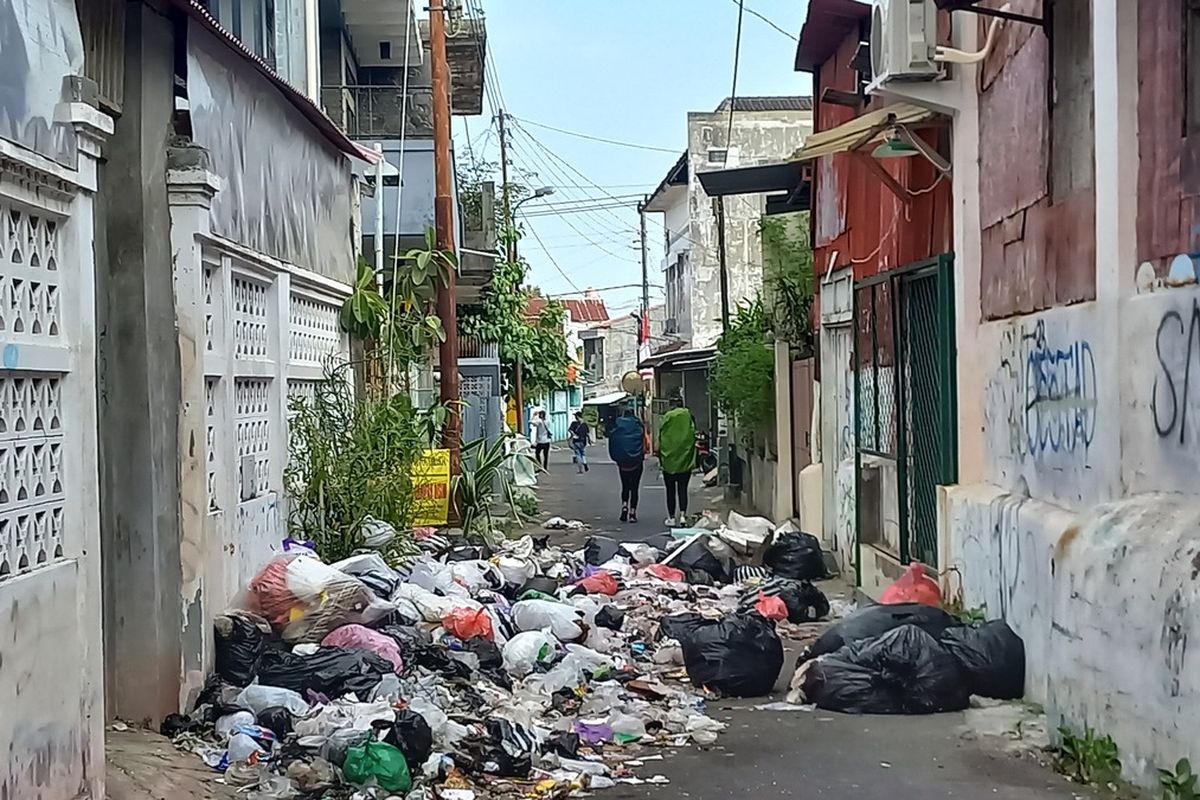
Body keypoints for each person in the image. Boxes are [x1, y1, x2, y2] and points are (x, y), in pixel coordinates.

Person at [658, 395, 696, 526]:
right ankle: (683, 515)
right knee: (683, 489)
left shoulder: (667, 416)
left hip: (669, 459)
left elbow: (661, 435)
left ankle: (672, 517)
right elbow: (693, 433)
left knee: (670, 490)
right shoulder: (688, 415)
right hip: (685, 458)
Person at [607, 408, 645, 523]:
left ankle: (624, 506)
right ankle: (632, 513)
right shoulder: (638, 425)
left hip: (623, 464)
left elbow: (612, 438)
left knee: (625, 486)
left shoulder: (618, 425)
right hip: (636, 463)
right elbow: (644, 443)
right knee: (634, 488)